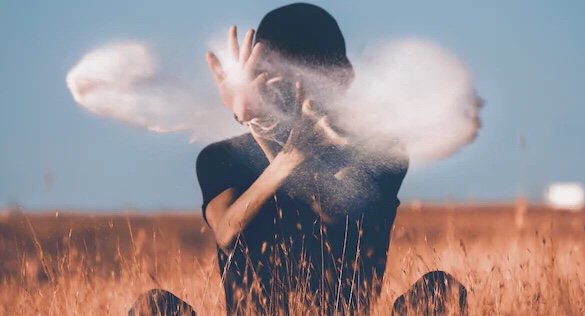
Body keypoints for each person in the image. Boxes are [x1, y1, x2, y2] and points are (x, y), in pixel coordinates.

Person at [129, 3, 467, 315]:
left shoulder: (381, 155)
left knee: (441, 290)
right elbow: (227, 231)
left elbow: (335, 217)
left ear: (340, 80)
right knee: (152, 307)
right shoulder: (221, 157)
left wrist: (278, 144)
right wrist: (262, 132)